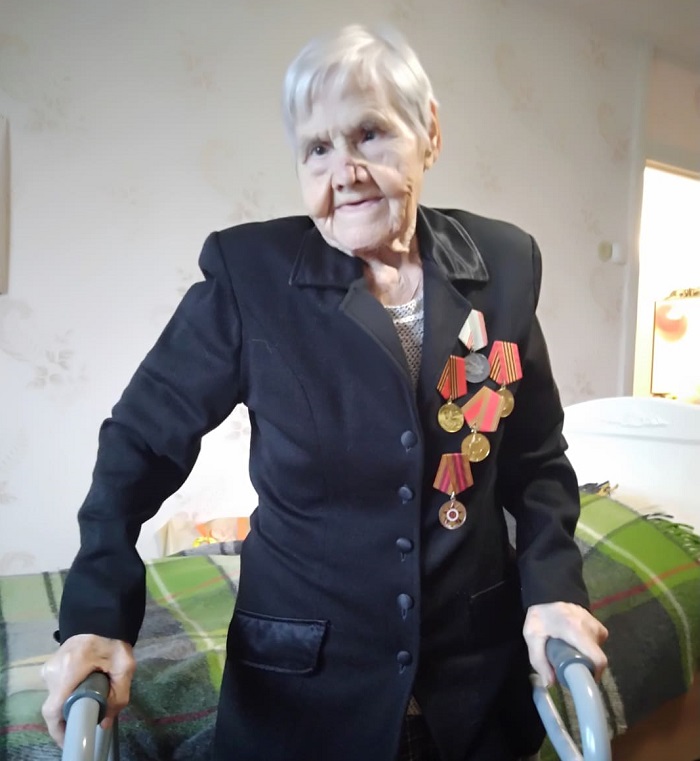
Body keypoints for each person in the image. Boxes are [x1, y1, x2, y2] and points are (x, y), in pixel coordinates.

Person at [41, 23, 608, 761]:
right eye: (317, 148)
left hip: (473, 686)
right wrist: (97, 611)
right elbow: (139, 444)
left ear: (429, 132)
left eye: (370, 134)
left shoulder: (503, 264)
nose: (345, 172)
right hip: (302, 692)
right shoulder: (250, 275)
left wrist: (554, 587)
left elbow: (536, 461)